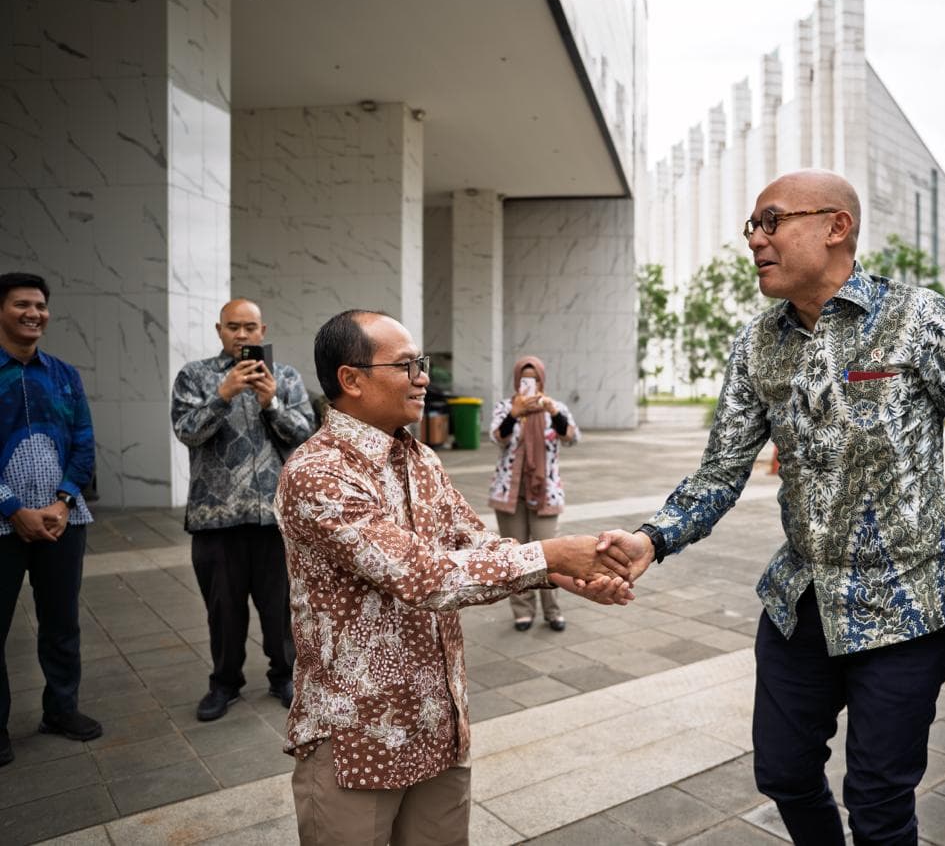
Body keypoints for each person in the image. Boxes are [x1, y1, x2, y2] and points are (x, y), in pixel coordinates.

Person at [600, 169, 945, 845]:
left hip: (905, 609)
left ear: (836, 226)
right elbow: (721, 470)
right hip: (799, 601)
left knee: (879, 799)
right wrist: (652, 538)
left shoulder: (918, 320)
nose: (755, 240)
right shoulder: (757, 343)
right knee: (783, 771)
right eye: (752, 226)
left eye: (771, 220)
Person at [276, 310, 632, 846]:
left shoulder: (419, 459)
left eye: (421, 364)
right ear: (351, 379)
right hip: (359, 734)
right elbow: (424, 576)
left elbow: (472, 543)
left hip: (438, 724)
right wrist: (551, 552)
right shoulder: (318, 473)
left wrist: (559, 572)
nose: (424, 378)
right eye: (407, 365)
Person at [171, 298, 315, 722]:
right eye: (233, 327)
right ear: (220, 331)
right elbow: (187, 432)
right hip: (216, 519)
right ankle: (224, 683)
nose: (242, 335)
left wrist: (271, 402)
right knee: (223, 610)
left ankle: (284, 675)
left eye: (249, 327)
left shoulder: (285, 377)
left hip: (275, 520)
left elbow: (305, 436)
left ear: (262, 330)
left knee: (281, 607)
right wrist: (223, 395)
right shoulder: (195, 376)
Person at [0, 272, 101, 767]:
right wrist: (12, 508)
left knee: (61, 624)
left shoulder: (63, 374)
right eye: (22, 304)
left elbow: (83, 440)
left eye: (40, 305)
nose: (34, 313)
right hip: (2, 524)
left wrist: (62, 501)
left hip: (64, 521)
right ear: (1, 310)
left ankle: (61, 710)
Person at [489, 355, 579, 632]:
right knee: (516, 554)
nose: (530, 384)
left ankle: (552, 609)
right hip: (510, 492)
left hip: (546, 494)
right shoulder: (506, 407)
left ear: (542, 381)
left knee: (549, 553)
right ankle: (522, 610)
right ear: (517, 381)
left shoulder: (556, 408)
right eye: (525, 379)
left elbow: (572, 437)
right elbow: (497, 437)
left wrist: (553, 412)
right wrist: (514, 414)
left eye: (535, 379)